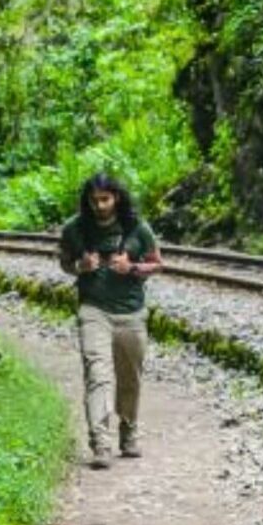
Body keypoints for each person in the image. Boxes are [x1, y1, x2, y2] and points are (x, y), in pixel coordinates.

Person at [59, 173, 163, 468]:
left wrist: (131, 268)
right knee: (98, 375)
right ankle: (100, 443)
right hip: (93, 310)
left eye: (105, 199)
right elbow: (64, 261)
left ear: (116, 198)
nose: (99, 206)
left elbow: (158, 264)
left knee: (130, 378)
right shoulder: (75, 229)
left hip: (131, 313)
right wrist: (81, 266)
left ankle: (128, 432)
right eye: (94, 201)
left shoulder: (137, 228)